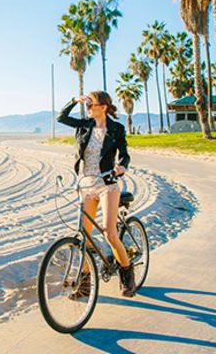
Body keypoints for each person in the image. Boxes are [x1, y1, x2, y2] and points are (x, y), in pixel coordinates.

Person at [56, 91, 136, 298]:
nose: (89, 107)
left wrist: (121, 167)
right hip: (87, 184)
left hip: (107, 184)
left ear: (104, 107)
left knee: (109, 233)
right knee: (85, 236)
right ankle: (84, 285)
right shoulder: (84, 126)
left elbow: (124, 154)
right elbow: (61, 118)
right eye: (88, 104)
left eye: (92, 104)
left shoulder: (116, 129)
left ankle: (127, 275)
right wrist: (75, 100)